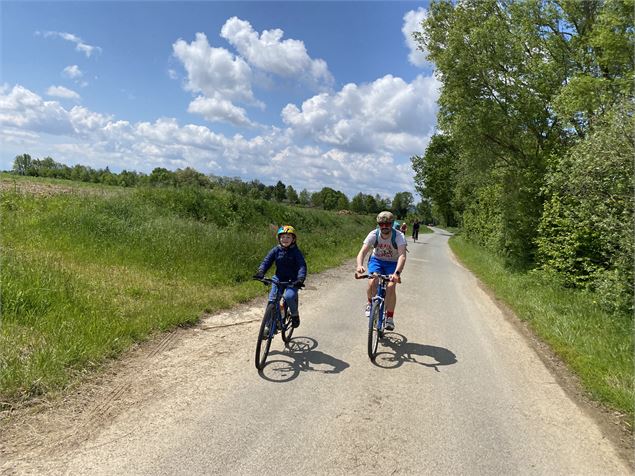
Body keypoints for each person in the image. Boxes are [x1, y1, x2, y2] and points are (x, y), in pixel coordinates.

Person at [355, 211, 407, 331]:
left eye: (387, 224)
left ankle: (389, 317)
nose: (384, 227)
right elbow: (362, 252)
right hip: (377, 260)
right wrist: (359, 266)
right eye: (381, 224)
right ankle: (369, 304)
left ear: (392, 224)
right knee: (372, 281)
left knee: (390, 286)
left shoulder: (399, 236)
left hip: (393, 263)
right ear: (378, 224)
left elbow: (402, 256)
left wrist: (397, 273)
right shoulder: (374, 234)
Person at [255, 225, 307, 328]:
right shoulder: (276, 250)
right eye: (282, 237)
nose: (285, 239)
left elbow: (302, 266)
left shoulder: (296, 252)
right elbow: (267, 261)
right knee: (272, 300)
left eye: (288, 237)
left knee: (289, 296)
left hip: (293, 280)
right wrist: (261, 271)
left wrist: (300, 278)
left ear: (293, 239)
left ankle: (295, 315)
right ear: (279, 238)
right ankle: (268, 326)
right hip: (278, 279)